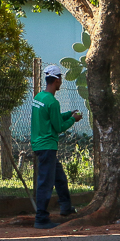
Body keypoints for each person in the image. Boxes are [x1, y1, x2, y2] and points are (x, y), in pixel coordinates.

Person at [30, 64, 81, 229]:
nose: (61, 82)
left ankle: (66, 207)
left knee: (59, 178)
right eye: (61, 79)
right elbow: (58, 127)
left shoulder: (39, 97)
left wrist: (68, 114)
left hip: (39, 144)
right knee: (45, 182)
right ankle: (41, 218)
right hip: (48, 146)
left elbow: (52, 118)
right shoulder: (53, 101)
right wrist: (73, 119)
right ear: (57, 79)